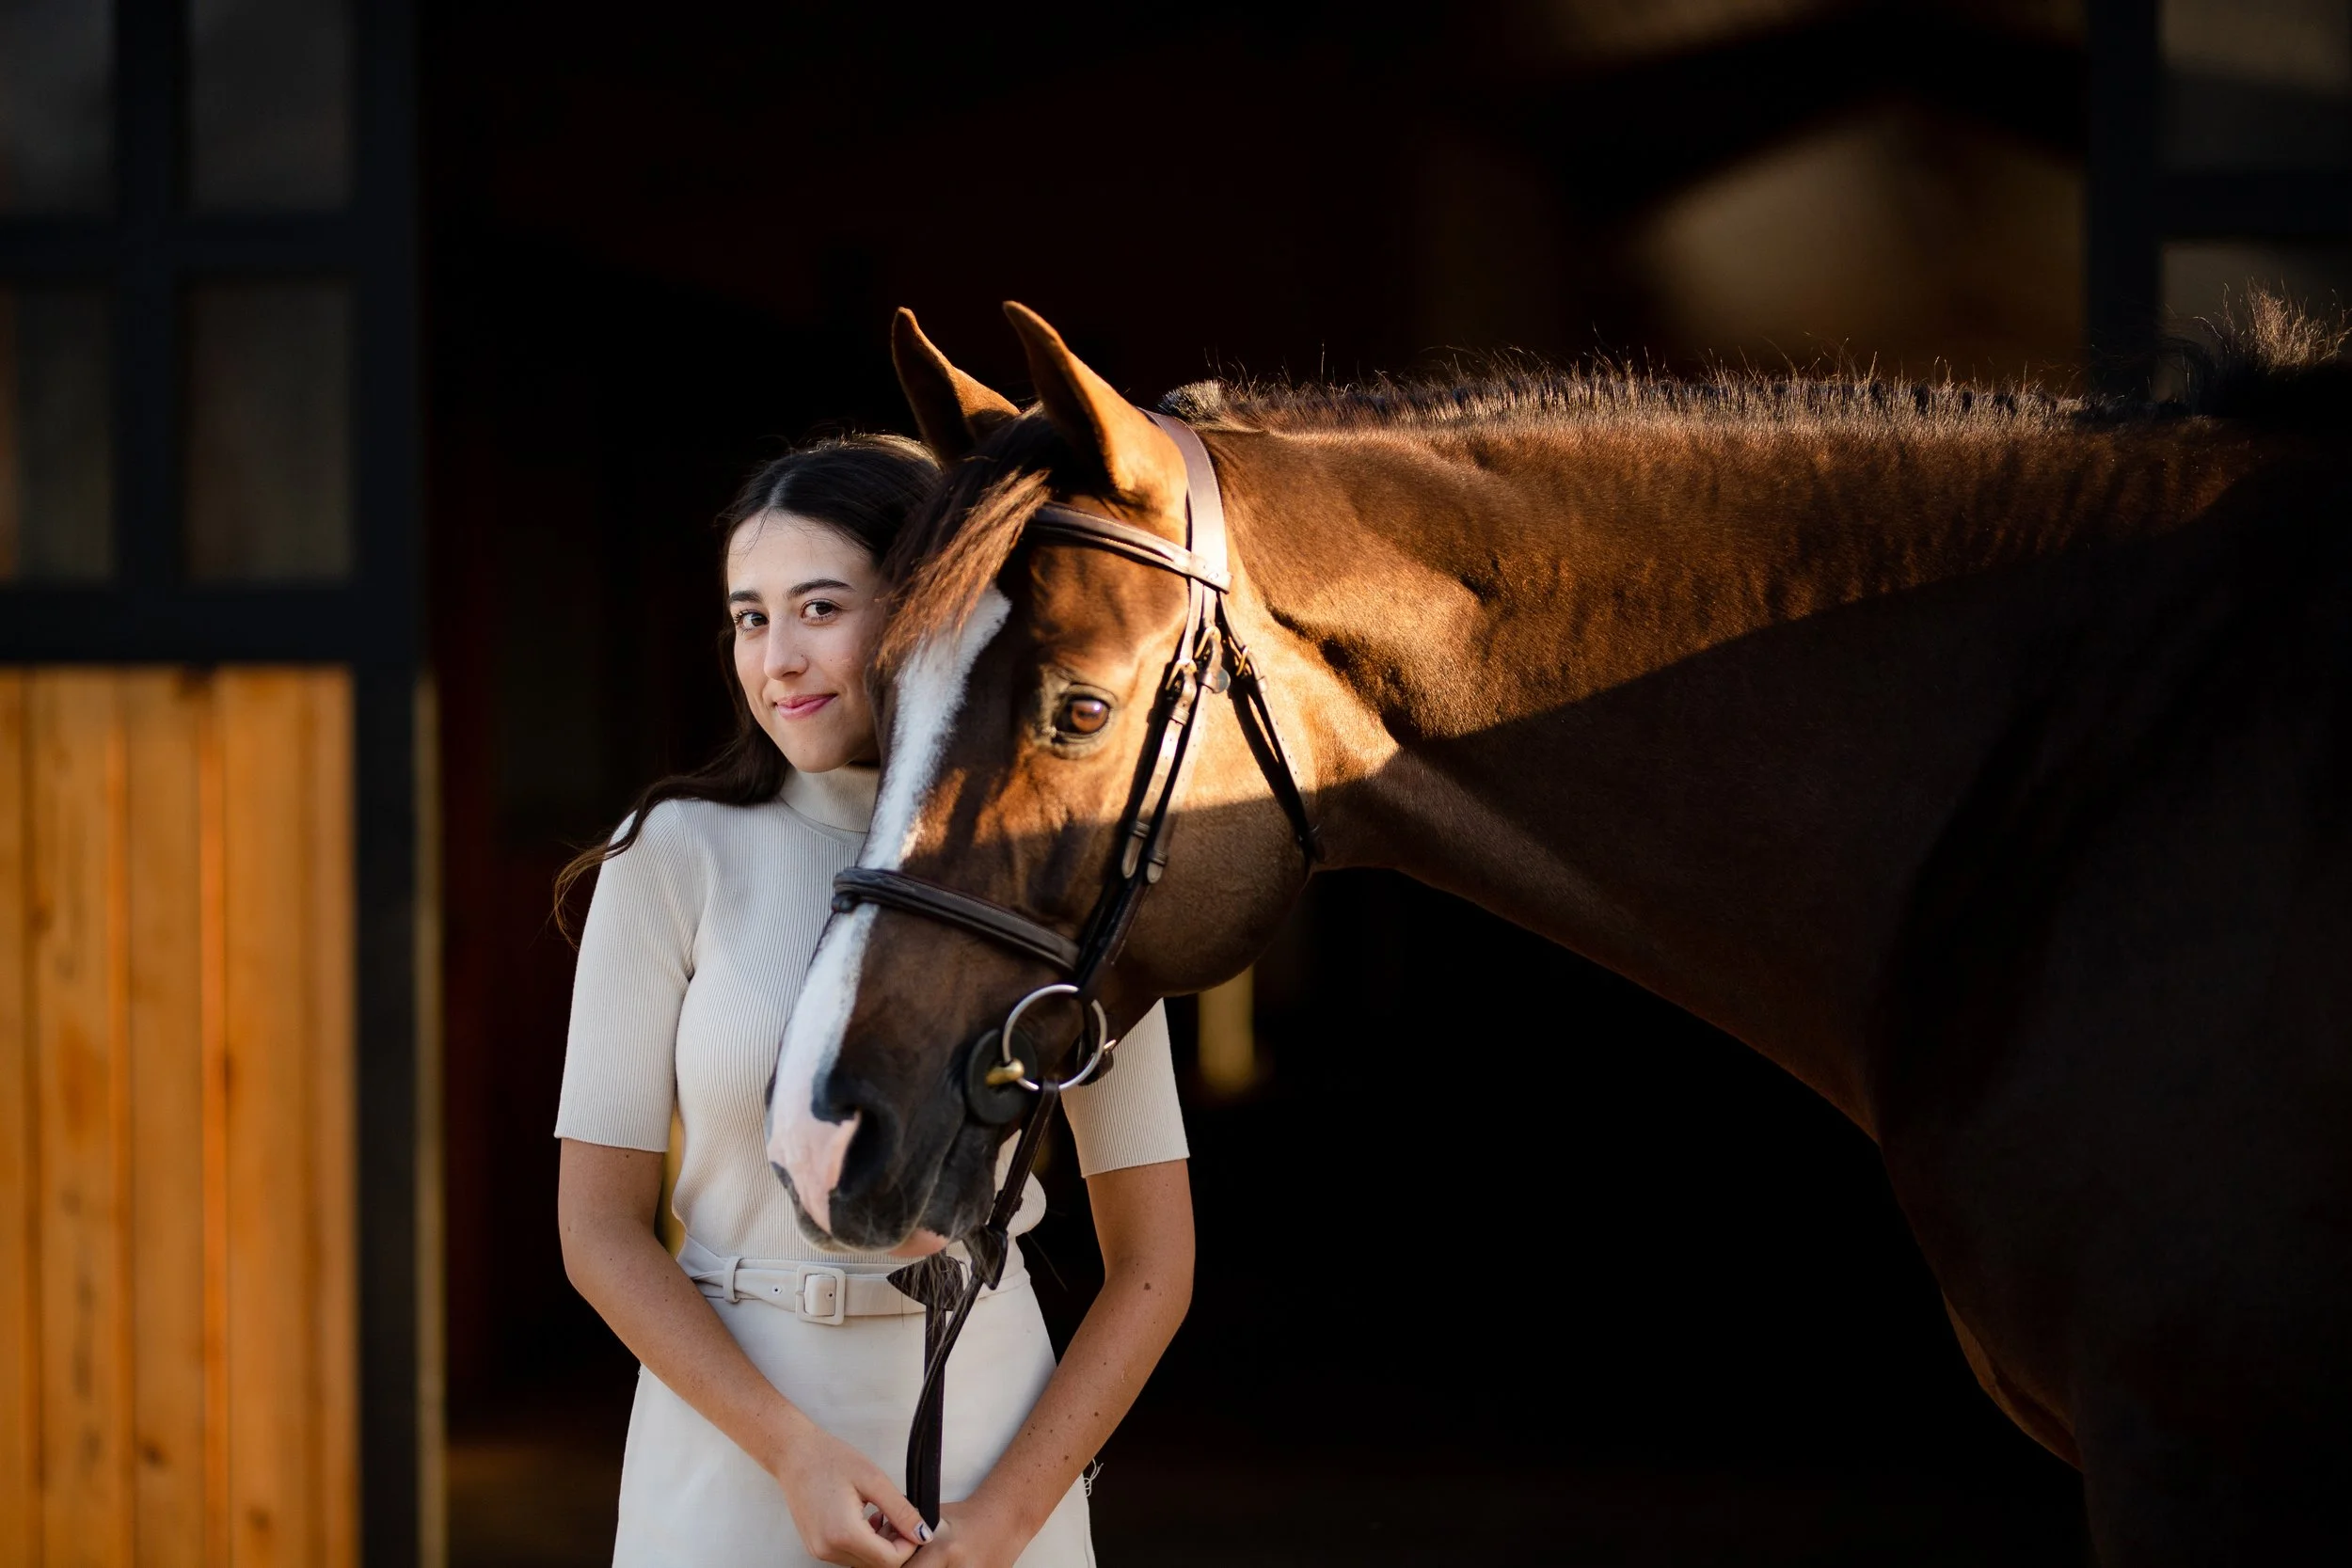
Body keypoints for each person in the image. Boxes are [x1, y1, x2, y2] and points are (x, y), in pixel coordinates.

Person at [553, 436, 1194, 1568]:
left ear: (922, 613)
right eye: (751, 617)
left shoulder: (1051, 863)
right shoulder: (671, 855)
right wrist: (788, 1450)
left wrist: (1003, 1520)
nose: (778, 658)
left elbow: (1153, 1259)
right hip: (726, 1445)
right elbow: (598, 1230)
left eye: (818, 607)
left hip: (989, 1435)